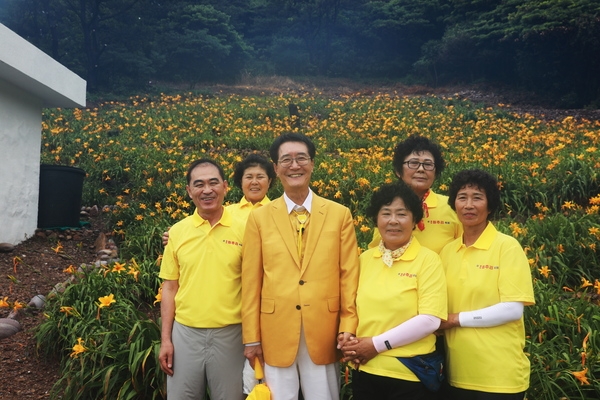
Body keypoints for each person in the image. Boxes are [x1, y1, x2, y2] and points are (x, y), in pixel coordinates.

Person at [242, 132, 360, 400]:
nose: (294, 166)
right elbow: (251, 282)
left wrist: (348, 326)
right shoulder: (259, 218)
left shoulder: (339, 214)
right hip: (275, 330)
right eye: (286, 160)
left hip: (325, 329)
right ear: (275, 168)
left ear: (312, 163)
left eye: (301, 158)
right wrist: (251, 337)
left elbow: (348, 276)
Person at [342, 182, 447, 400]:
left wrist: (375, 345)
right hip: (366, 370)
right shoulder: (365, 259)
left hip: (410, 374)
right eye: (386, 213)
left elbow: (430, 320)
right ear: (376, 220)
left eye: (402, 214)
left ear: (414, 220)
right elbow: (350, 308)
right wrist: (347, 338)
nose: (393, 221)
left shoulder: (428, 260)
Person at [438, 169, 535, 400]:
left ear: (490, 206)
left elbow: (512, 309)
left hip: (499, 377)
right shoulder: (448, 252)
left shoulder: (506, 247)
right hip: (458, 373)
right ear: (454, 205)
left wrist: (454, 319)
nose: (469, 204)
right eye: (462, 197)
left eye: (477, 197)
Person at [158, 159, 246, 400]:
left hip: (232, 334)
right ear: (189, 191)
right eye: (199, 184)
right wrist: (166, 340)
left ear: (225, 186)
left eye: (213, 183)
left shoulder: (246, 229)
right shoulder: (177, 232)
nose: (207, 190)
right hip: (185, 334)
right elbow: (169, 287)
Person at [369, 135, 461, 254]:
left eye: (428, 164)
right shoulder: (388, 208)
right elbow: (377, 251)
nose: (421, 169)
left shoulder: (452, 206)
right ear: (398, 171)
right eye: (413, 163)